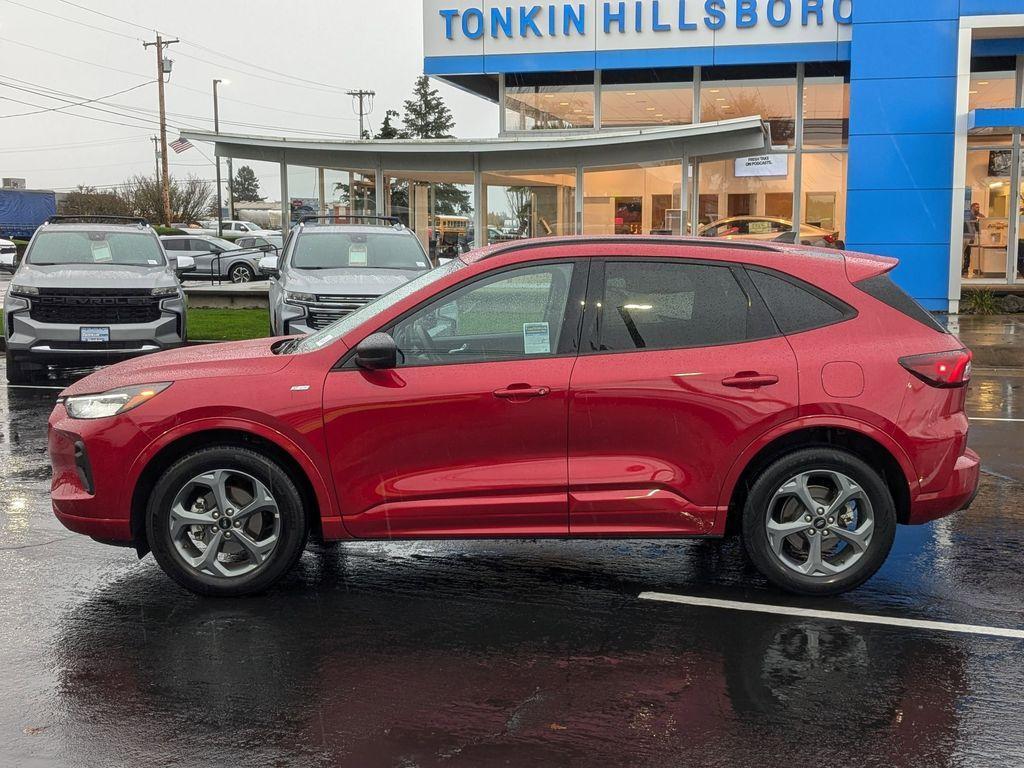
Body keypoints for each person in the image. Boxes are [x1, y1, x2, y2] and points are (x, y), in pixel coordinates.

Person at [963, 201, 984, 277]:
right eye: (977, 207)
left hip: (970, 237)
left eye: (979, 207)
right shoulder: (969, 215)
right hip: (965, 237)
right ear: (972, 207)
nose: (978, 208)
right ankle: (963, 269)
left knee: (968, 254)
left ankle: (965, 269)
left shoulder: (977, 215)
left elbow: (979, 224)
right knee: (964, 253)